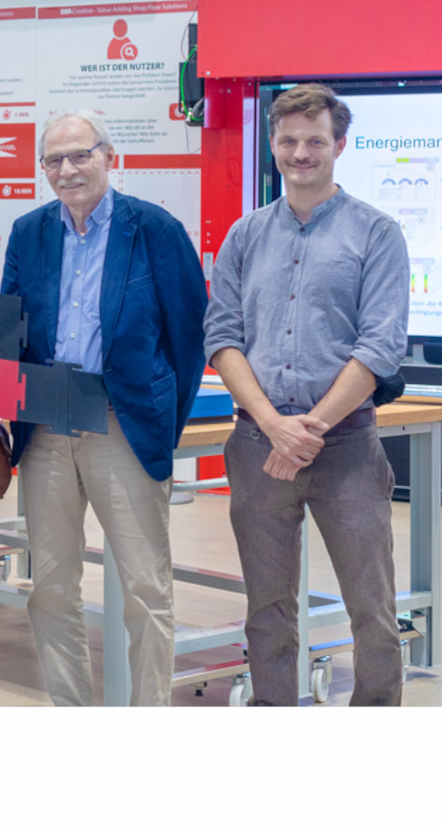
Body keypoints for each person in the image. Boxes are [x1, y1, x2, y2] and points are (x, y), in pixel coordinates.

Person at [204, 83, 408, 706]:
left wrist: (308, 429)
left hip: (345, 447)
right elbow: (221, 335)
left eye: (315, 141)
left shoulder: (377, 232)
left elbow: (379, 348)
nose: (301, 152)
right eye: (288, 140)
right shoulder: (244, 235)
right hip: (257, 445)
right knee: (267, 607)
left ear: (339, 146)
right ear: (272, 145)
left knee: (370, 610)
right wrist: (274, 425)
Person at [0, 110, 207, 706]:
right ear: (43, 169)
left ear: (109, 156)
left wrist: (159, 424)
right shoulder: (28, 232)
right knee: (52, 587)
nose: (68, 170)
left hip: (122, 425)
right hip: (46, 429)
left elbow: (189, 339)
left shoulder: (155, 230)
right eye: (54, 160)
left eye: (80, 155)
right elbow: (13, 333)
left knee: (146, 588)